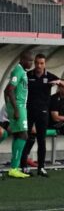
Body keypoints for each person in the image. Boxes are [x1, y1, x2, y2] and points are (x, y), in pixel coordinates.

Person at [20, 54, 64, 177]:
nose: (39, 65)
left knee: (41, 140)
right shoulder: (28, 75)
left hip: (43, 112)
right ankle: (23, 166)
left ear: (45, 63)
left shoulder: (49, 76)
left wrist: (58, 81)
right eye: (37, 63)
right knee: (26, 138)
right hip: (29, 111)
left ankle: (41, 167)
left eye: (41, 63)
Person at [3, 51, 34, 179]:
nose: (31, 63)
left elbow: (6, 90)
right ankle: (14, 168)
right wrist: (14, 108)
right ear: (22, 59)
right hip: (19, 107)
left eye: (32, 61)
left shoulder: (22, 71)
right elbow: (10, 90)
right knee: (23, 134)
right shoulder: (18, 71)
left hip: (20, 107)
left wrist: (9, 105)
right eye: (29, 60)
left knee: (19, 134)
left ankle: (14, 168)